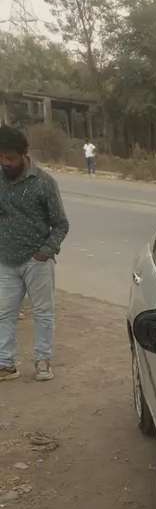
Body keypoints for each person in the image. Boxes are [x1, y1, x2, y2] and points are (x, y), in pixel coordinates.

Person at [0, 125, 69, 382]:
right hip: (6, 260)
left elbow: (61, 224)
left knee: (43, 313)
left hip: (37, 261)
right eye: (1, 157)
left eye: (10, 158)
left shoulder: (44, 182)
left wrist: (45, 251)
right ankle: (5, 364)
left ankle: (42, 361)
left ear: (23, 155)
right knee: (4, 313)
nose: (5, 163)